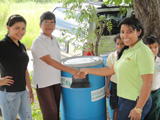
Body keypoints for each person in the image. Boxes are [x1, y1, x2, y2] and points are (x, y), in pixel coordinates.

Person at [77, 16, 154, 120]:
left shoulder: (143, 51)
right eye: (122, 32)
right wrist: (87, 70)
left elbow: (148, 82)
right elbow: (109, 70)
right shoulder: (127, 50)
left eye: (129, 31)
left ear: (139, 32)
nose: (125, 35)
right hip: (124, 99)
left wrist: (138, 108)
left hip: (135, 101)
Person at [31, 11, 79, 120]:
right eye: (46, 23)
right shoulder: (38, 42)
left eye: (52, 23)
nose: (49, 26)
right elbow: (49, 61)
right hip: (43, 82)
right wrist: (71, 70)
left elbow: (58, 60)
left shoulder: (54, 40)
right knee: (50, 113)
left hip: (56, 80)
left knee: (56, 111)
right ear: (40, 25)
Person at [0, 14, 34, 120]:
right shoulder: (2, 45)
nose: (21, 31)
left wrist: (30, 89)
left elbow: (24, 69)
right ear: (8, 27)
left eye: (23, 28)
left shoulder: (22, 46)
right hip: (9, 92)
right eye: (17, 28)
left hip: (23, 91)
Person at [106, 33, 124, 120]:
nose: (119, 46)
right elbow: (108, 73)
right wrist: (107, 88)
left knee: (124, 108)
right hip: (114, 85)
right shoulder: (112, 56)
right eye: (117, 44)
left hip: (125, 85)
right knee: (116, 108)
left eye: (122, 43)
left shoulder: (128, 55)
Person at [143, 36, 160, 120]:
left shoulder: (159, 61)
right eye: (149, 48)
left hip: (156, 92)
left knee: (154, 113)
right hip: (144, 92)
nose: (153, 50)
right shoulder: (142, 62)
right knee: (144, 113)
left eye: (155, 47)